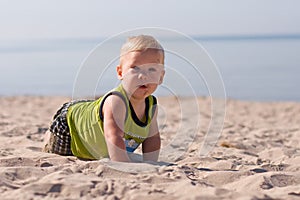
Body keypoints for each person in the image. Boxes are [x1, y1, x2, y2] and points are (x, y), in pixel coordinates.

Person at [43, 35, 165, 162]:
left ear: (161, 76)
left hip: (95, 113)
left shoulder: (151, 106)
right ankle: (48, 136)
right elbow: (114, 136)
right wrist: (124, 166)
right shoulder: (117, 102)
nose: (143, 76)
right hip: (70, 124)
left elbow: (152, 138)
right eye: (135, 68)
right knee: (59, 151)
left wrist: (151, 163)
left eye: (151, 69)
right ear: (120, 72)